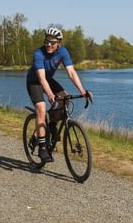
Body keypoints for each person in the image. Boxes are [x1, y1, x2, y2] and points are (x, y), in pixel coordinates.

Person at [26, 27, 93, 162]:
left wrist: (82, 91)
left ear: (59, 43)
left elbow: (71, 72)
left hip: (48, 80)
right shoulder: (38, 54)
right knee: (41, 108)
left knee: (65, 98)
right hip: (35, 82)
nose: (49, 45)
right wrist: (50, 95)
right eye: (47, 42)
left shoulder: (63, 52)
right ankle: (42, 148)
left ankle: (51, 126)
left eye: (52, 42)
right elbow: (41, 79)